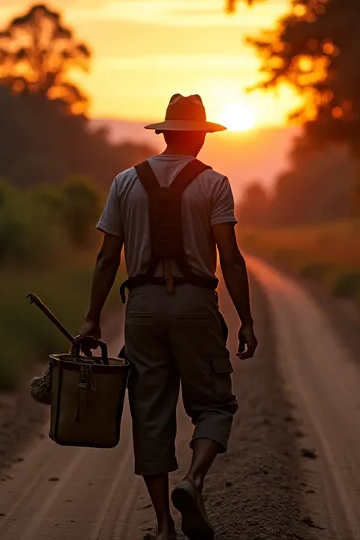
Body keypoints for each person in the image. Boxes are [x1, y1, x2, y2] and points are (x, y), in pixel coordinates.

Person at [79, 93, 259, 540]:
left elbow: (106, 259)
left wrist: (92, 318)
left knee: (150, 412)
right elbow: (232, 259)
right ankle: (193, 481)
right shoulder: (215, 183)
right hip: (196, 305)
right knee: (215, 403)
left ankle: (163, 527)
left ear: (164, 133)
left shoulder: (125, 182)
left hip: (141, 309)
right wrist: (247, 320)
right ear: (199, 136)